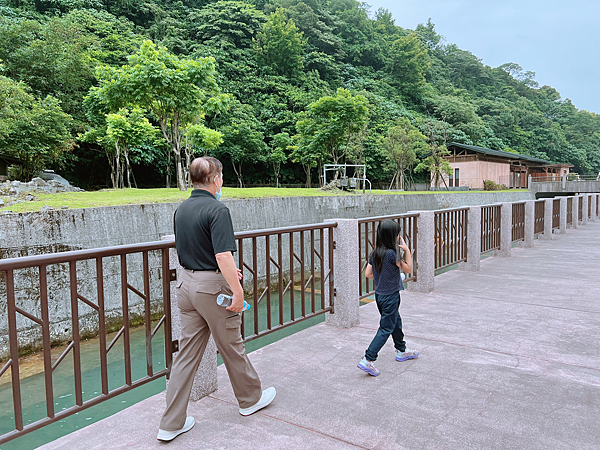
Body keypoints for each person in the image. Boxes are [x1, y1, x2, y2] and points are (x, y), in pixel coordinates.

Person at [157, 156, 276, 442]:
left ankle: (170, 423)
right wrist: (237, 291)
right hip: (212, 288)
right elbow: (223, 254)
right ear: (215, 179)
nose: (222, 181)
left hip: (186, 285)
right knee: (231, 345)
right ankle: (250, 399)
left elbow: (194, 248)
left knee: (186, 354)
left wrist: (218, 270)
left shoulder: (181, 209)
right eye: (221, 176)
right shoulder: (218, 209)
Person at [358, 219, 418, 376]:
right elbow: (409, 268)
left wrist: (383, 279)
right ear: (393, 236)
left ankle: (402, 350)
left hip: (380, 296)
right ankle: (368, 358)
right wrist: (406, 250)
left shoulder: (375, 253)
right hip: (391, 296)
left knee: (395, 322)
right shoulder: (392, 254)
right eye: (398, 234)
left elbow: (368, 274)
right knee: (386, 327)